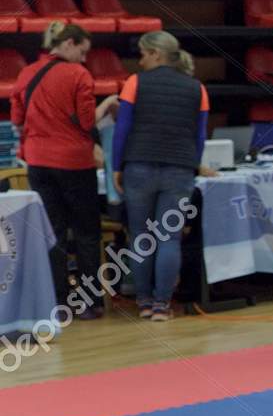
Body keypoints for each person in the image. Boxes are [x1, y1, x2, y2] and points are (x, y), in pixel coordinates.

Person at [112, 31, 212, 323]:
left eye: (143, 54)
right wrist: (192, 164)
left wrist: (117, 166)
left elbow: (122, 130)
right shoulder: (197, 88)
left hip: (139, 167)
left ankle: (143, 301)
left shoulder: (135, 83)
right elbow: (200, 136)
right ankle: (162, 305)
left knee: (141, 237)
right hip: (179, 169)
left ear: (156, 53)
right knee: (169, 238)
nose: (141, 60)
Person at [11, 21, 102, 317]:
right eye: (82, 52)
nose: (84, 59)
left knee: (53, 233)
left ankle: (57, 303)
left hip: (38, 161)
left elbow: (17, 119)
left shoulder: (26, 73)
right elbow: (87, 121)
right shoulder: (78, 74)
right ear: (69, 43)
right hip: (75, 162)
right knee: (87, 233)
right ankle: (89, 303)